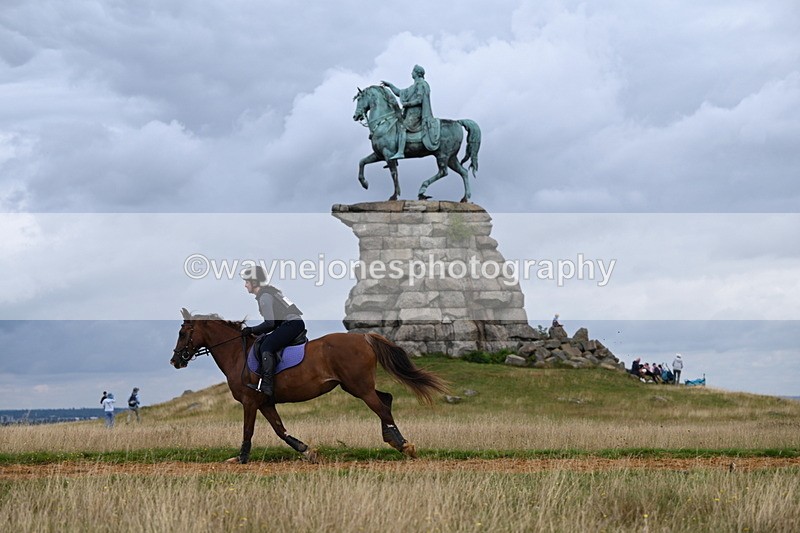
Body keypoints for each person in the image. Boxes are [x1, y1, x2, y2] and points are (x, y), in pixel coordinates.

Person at [240, 265, 305, 399]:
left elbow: (270, 323)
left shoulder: (264, 297)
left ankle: (267, 385)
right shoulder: (269, 292)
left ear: (254, 282)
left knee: (266, 346)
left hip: (291, 324)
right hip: (293, 323)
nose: (245, 286)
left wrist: (251, 330)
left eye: (247, 282)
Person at [381, 64, 440, 159]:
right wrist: (390, 85)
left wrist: (407, 104)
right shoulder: (414, 86)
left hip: (417, 114)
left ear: (417, 73)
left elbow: (419, 100)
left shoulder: (421, 84)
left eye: (413, 71)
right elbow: (399, 92)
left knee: (402, 127)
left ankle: (400, 152)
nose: (411, 73)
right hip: (410, 113)